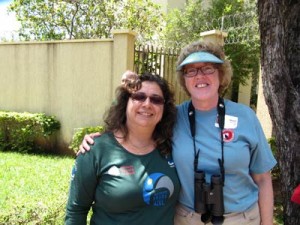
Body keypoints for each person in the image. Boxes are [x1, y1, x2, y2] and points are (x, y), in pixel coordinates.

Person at [79, 40, 277, 225]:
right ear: (184, 80)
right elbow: (136, 121)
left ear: (221, 74)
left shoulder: (245, 117)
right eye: (191, 71)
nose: (200, 76)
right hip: (187, 219)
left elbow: (262, 178)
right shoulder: (172, 117)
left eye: (208, 68)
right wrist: (101, 142)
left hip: (242, 218)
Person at [66, 72, 181, 225]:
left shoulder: (172, 147)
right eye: (139, 97)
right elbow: (76, 211)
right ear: (125, 102)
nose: (147, 104)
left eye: (156, 99)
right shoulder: (95, 150)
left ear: (164, 108)